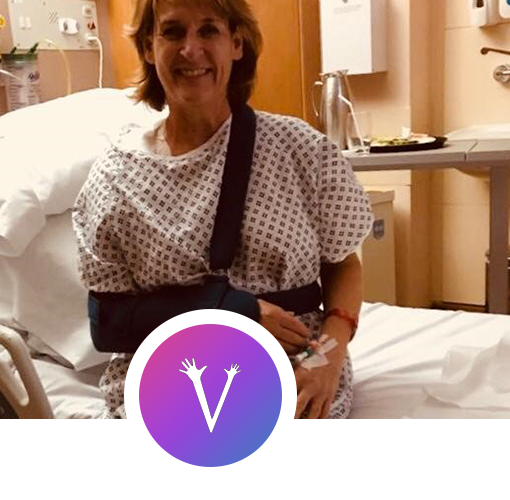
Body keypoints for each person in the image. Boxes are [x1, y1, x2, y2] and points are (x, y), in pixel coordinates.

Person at [72, 0, 374, 419]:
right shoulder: (115, 176)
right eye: (172, 32)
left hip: (295, 368)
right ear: (148, 47)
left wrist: (327, 359)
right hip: (170, 372)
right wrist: (233, 311)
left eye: (209, 30)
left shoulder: (300, 150)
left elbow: (343, 262)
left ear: (236, 43)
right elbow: (108, 322)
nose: (190, 49)